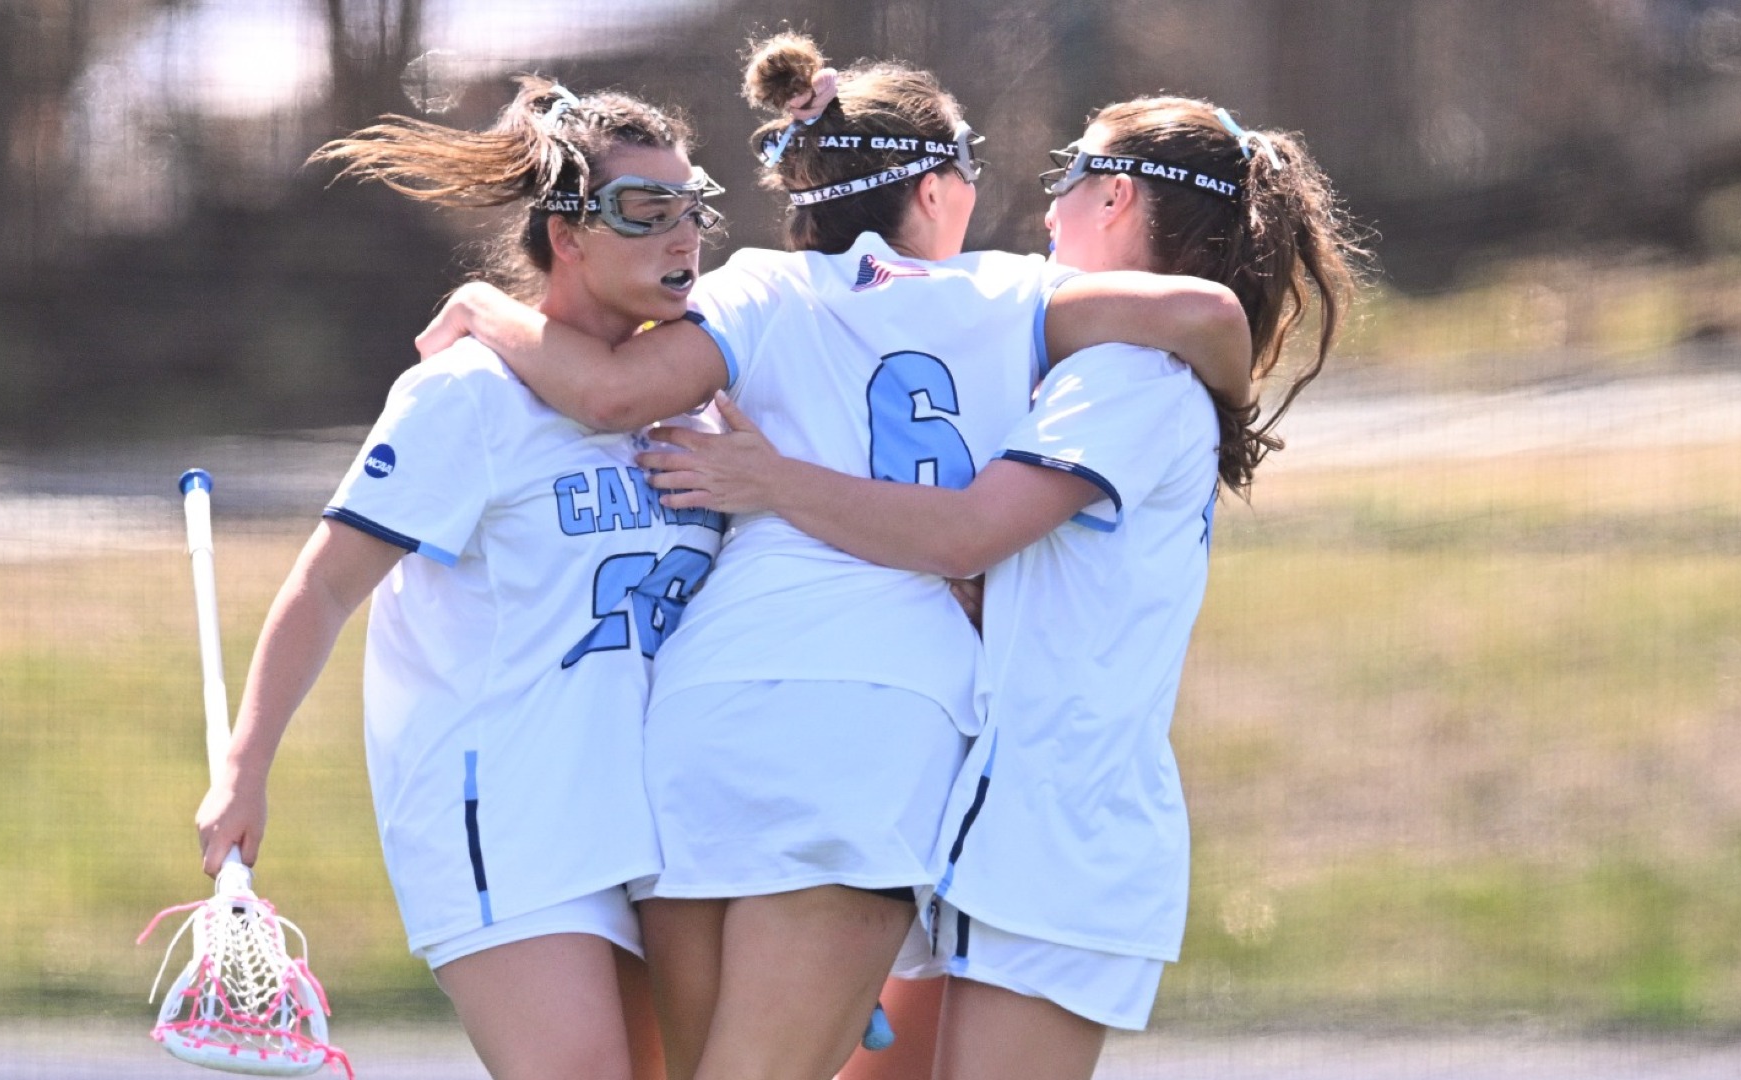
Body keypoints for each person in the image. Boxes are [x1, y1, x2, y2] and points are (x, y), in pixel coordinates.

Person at [412, 35, 1255, 1080]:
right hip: (876, 714)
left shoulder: (757, 285)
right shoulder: (1006, 295)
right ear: (939, 189)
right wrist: (1239, 398)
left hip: (700, 709)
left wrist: (491, 308)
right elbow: (1209, 313)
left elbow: (610, 392)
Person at [634, 97, 1366, 1080]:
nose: (1047, 199)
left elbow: (969, 529)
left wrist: (768, 482)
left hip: (1061, 825)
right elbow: (1009, 567)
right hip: (998, 816)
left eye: (1069, 172)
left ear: (1114, 196)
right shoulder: (1098, 363)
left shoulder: (1134, 375)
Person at [191, 78, 731, 1080]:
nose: (682, 237)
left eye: (692, 206)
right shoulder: (465, 395)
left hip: (657, 827)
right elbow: (324, 587)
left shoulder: (693, 407)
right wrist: (244, 766)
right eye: (644, 214)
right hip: (508, 819)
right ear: (567, 236)